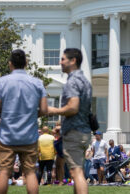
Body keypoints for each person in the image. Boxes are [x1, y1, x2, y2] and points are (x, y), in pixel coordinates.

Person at [0, 49, 48, 194]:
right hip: (29, 135)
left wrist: (5, 113)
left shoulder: (2, 81)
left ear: (10, 64)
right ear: (26, 63)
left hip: (7, 135)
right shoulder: (37, 82)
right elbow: (43, 109)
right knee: (30, 173)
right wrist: (31, 116)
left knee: (4, 172)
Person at [48, 48, 94, 194]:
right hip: (84, 131)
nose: (60, 62)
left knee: (76, 173)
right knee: (78, 171)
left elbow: (73, 108)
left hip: (74, 132)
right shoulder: (85, 81)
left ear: (73, 61)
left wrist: (53, 110)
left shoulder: (73, 81)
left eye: (63, 59)